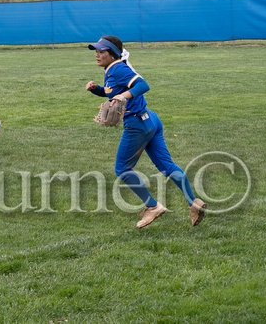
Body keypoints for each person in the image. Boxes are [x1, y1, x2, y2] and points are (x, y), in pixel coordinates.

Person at [85, 35, 206, 228]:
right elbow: (111, 91)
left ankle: (153, 206)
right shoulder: (111, 70)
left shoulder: (118, 68)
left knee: (122, 169)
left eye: (102, 51)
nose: (97, 55)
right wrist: (95, 89)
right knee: (167, 165)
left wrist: (122, 97)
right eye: (96, 51)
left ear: (112, 54)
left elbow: (143, 85)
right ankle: (194, 202)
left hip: (137, 126)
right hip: (150, 119)